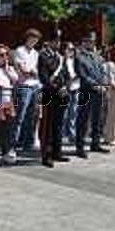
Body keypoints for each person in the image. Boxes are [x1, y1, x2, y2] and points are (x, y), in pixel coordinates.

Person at [37, 32, 70, 167]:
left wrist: (65, 87)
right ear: (49, 42)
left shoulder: (60, 57)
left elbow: (66, 74)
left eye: (59, 41)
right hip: (50, 94)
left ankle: (57, 151)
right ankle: (47, 155)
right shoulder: (43, 56)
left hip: (61, 94)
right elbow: (44, 77)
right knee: (48, 125)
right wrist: (58, 88)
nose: (58, 44)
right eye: (55, 41)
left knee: (58, 124)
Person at [74, 34, 110, 158]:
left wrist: (104, 84)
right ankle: (80, 147)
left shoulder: (97, 56)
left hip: (99, 91)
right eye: (89, 41)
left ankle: (95, 143)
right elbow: (82, 75)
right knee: (83, 120)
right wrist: (96, 85)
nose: (91, 43)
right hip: (86, 91)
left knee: (98, 119)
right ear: (83, 43)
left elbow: (102, 72)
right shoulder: (79, 57)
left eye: (93, 41)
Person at [11, 28, 42, 159]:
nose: (34, 42)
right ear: (27, 38)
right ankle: (13, 144)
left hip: (35, 86)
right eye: (32, 39)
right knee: (20, 116)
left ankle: (27, 143)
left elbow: (37, 70)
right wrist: (30, 72)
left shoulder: (35, 53)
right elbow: (21, 70)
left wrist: (32, 72)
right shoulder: (19, 51)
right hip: (24, 86)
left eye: (36, 40)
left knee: (32, 116)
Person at [60, 41, 80, 143]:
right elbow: (61, 75)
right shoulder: (62, 60)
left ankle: (72, 133)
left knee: (74, 112)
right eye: (69, 49)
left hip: (76, 87)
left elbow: (80, 72)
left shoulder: (76, 61)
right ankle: (63, 133)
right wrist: (68, 80)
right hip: (67, 88)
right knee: (65, 112)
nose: (70, 51)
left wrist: (77, 77)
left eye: (72, 50)